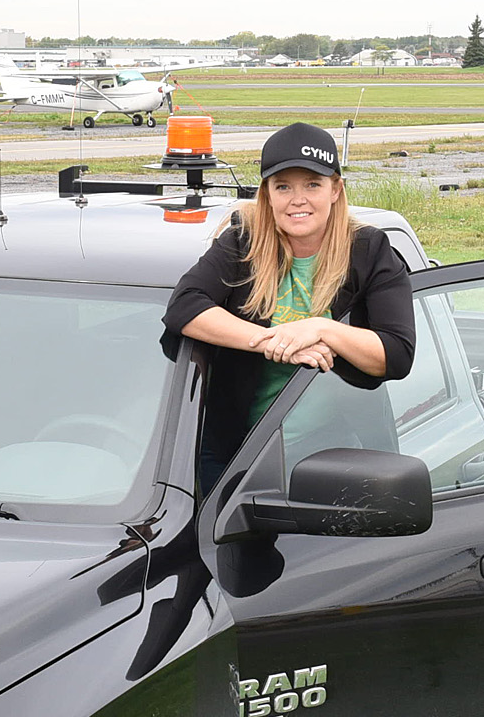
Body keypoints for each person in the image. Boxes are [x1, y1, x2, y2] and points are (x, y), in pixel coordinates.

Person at [161, 123, 416, 486]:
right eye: (283, 186)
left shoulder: (369, 251)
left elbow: (396, 354)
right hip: (236, 453)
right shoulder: (242, 244)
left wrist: (319, 328)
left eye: (312, 184)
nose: (298, 199)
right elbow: (183, 307)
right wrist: (276, 342)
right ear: (267, 193)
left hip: (334, 450)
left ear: (335, 189)